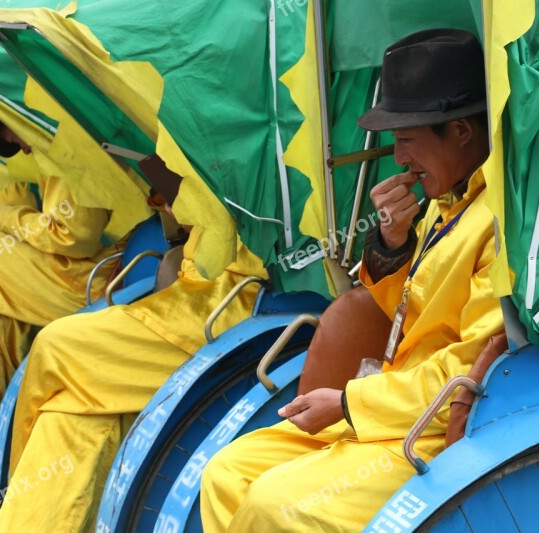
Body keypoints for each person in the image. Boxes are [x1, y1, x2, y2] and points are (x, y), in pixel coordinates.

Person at [199, 29, 505, 531]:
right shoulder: (444, 203)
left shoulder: (497, 222)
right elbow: (404, 306)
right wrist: (392, 240)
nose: (400, 158)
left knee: (274, 505)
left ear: (461, 132)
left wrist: (346, 402)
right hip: (390, 400)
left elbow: (469, 369)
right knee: (226, 472)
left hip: (431, 424)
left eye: (407, 139)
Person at [0, 198, 268, 531]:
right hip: (183, 299)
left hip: (219, 311)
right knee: (64, 417)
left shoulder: (244, 181)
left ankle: (11, 480)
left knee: (53, 346)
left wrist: (179, 201)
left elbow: (215, 250)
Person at [0, 96, 129, 462]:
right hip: (90, 272)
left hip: (100, 280)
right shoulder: (53, 147)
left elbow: (73, 238)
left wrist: (4, 218)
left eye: (14, 134)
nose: (20, 146)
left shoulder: (65, 151)